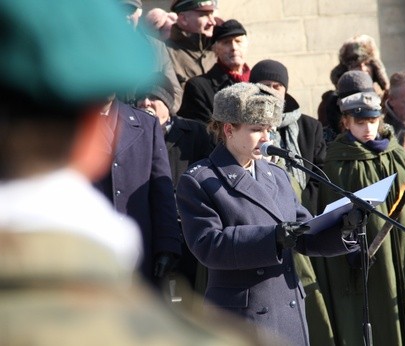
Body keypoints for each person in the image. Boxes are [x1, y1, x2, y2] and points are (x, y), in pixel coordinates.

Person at [0, 1, 260, 345]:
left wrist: (167, 244)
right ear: (92, 138)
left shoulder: (142, 125)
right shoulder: (198, 337)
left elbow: (160, 189)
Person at [175, 82, 361, 346]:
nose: (266, 138)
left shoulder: (276, 174)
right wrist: (272, 238)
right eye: (256, 130)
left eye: (268, 130)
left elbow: (305, 233)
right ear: (229, 129)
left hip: (288, 309)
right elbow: (208, 246)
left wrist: (343, 227)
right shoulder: (200, 180)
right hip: (244, 317)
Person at [316, 71, 405, 346]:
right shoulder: (336, 164)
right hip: (369, 264)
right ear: (345, 122)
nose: (368, 128)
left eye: (373, 120)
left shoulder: (399, 155)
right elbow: (330, 218)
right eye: (360, 122)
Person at [249, 59, 332, 345]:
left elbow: (318, 175)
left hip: (301, 219)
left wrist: (305, 215)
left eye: (277, 86)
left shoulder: (309, 126)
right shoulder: (245, 131)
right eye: (265, 86)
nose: (272, 91)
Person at [135, 72, 215, 292]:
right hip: (152, 234)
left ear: (168, 103)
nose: (145, 102)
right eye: (140, 97)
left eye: (153, 97)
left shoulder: (196, 132)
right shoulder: (130, 135)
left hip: (190, 232)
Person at [93, 92, 183, 287]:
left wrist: (167, 245)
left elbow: (162, 189)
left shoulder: (146, 123)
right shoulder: (64, 123)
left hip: (137, 255)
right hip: (88, 253)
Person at [177, 19, 250, 123]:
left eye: (238, 41)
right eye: (226, 43)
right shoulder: (199, 87)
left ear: (247, 45)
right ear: (215, 49)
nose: (234, 47)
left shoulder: (260, 82)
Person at [318, 34, 389, 138]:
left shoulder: (386, 99)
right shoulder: (332, 103)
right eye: (356, 64)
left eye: (367, 63)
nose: (363, 69)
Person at [117, 0, 183, 112]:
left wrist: (158, 115)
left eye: (130, 10)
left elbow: (174, 93)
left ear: (140, 12)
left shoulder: (157, 48)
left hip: (149, 122)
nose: (125, 16)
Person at [165, 0, 218, 89]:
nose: (212, 22)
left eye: (212, 14)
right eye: (203, 15)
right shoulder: (164, 53)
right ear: (183, 19)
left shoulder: (219, 48)